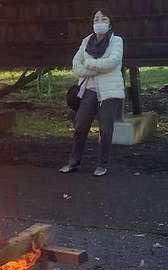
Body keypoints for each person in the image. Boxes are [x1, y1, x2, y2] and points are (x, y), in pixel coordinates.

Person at [60, 8, 125, 177]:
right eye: (96, 19)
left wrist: (90, 64)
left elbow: (113, 61)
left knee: (105, 130)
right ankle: (73, 162)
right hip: (88, 91)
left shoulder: (116, 40)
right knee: (80, 127)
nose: (99, 22)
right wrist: (95, 68)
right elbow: (76, 65)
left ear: (110, 23)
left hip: (109, 92)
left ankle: (102, 164)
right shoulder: (86, 41)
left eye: (104, 19)